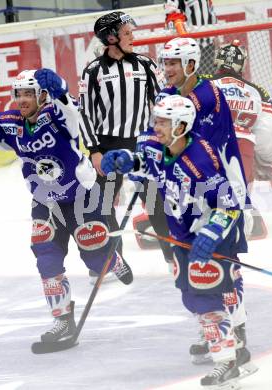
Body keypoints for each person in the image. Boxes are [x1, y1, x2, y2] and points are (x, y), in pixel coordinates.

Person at [0, 67, 133, 343]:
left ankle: (112, 259)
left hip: (81, 196)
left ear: (42, 95)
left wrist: (61, 90)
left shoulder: (55, 114)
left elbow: (75, 119)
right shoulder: (10, 123)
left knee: (96, 258)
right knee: (46, 259)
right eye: (18, 94)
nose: (22, 99)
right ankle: (62, 321)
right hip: (45, 203)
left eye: (29, 94)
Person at [101, 94, 257, 389]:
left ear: (181, 125)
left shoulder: (201, 160)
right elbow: (148, 165)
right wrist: (126, 160)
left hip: (209, 236)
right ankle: (234, 348)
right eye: (156, 120)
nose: (155, 126)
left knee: (205, 297)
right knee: (191, 296)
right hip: (182, 236)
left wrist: (211, 235)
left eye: (163, 122)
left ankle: (228, 363)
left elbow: (229, 205)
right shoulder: (159, 148)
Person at [154, 37, 257, 374]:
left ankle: (237, 339)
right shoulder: (172, 96)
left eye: (174, 63)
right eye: (165, 62)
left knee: (224, 265)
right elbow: (160, 138)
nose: (167, 69)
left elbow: (197, 155)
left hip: (222, 189)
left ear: (192, 65)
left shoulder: (206, 95)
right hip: (190, 194)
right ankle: (218, 328)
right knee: (195, 266)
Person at [79, 11, 173, 275]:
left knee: (155, 203)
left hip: (143, 146)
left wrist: (162, 139)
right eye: (127, 33)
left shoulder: (146, 65)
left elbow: (162, 104)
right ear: (111, 38)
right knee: (104, 205)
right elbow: (84, 113)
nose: (133, 37)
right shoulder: (93, 71)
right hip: (107, 147)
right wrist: (94, 152)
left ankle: (172, 258)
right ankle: (113, 260)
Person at [208, 39, 272, 239]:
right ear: (241, 65)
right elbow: (271, 132)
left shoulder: (203, 83)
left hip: (208, 151)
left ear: (217, 62)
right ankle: (241, 219)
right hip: (244, 151)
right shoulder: (256, 90)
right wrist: (268, 161)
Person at [164, 0, 218, 73]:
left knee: (207, 77)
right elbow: (172, 16)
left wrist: (216, 39)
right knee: (190, 78)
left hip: (208, 43)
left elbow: (211, 14)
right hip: (190, 45)